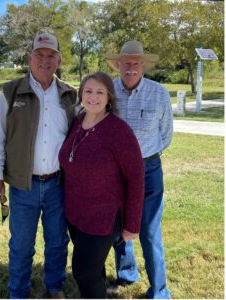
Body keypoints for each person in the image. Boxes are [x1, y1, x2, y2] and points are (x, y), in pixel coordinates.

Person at [0, 33, 77, 299]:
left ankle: (55, 287)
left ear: (59, 59)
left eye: (51, 55)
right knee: (22, 245)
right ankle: (19, 292)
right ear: (29, 58)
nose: (45, 60)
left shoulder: (70, 94)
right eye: (40, 54)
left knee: (58, 242)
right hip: (24, 186)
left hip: (59, 184)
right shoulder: (11, 91)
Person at [59, 71, 145, 298]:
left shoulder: (118, 130)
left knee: (83, 272)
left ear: (109, 97)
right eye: (88, 91)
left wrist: (132, 225)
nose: (93, 97)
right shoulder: (77, 122)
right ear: (81, 95)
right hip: (76, 214)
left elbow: (136, 178)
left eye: (100, 92)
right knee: (93, 270)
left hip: (103, 217)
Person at [104, 40, 173, 299]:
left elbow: (166, 135)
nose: (131, 67)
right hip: (116, 171)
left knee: (150, 230)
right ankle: (127, 273)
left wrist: (143, 156)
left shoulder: (159, 92)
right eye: (126, 62)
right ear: (118, 65)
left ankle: (159, 291)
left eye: (136, 63)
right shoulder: (108, 89)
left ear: (143, 65)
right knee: (119, 225)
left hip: (149, 168)